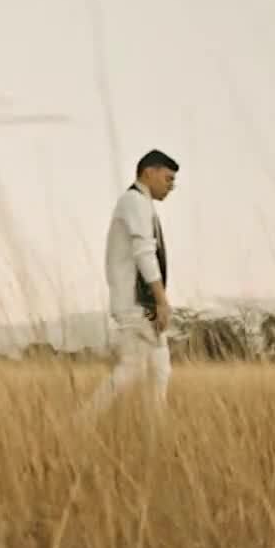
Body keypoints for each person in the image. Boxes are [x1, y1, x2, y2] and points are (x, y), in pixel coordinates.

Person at [82, 149, 178, 422]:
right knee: (132, 369)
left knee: (159, 368)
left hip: (140, 303)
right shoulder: (134, 202)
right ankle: (81, 424)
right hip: (136, 304)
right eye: (168, 178)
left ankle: (154, 431)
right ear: (149, 172)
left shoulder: (140, 203)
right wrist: (161, 300)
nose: (171, 186)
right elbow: (144, 253)